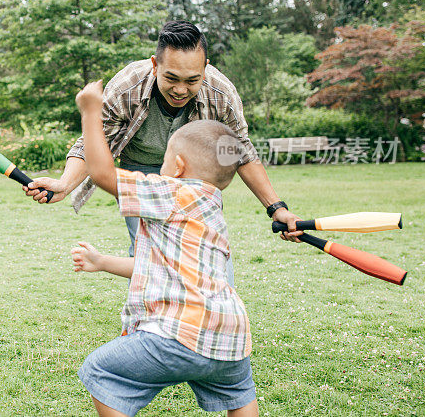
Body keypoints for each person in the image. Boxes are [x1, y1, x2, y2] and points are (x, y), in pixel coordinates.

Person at [24, 21, 301, 268]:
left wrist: (277, 207)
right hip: (139, 167)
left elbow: (241, 151)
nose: (181, 90)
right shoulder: (126, 87)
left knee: (204, 248)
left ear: (205, 68)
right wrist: (65, 183)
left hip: (196, 175)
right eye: (171, 78)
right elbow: (95, 143)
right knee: (147, 249)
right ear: (155, 64)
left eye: (192, 80)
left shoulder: (221, 93)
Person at [70, 80, 258, 417]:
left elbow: (102, 173)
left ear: (179, 166)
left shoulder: (172, 192)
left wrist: (91, 113)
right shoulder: (212, 210)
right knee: (238, 396)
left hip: (180, 333)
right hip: (230, 336)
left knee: (101, 370)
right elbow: (156, 265)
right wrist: (100, 261)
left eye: (166, 159)